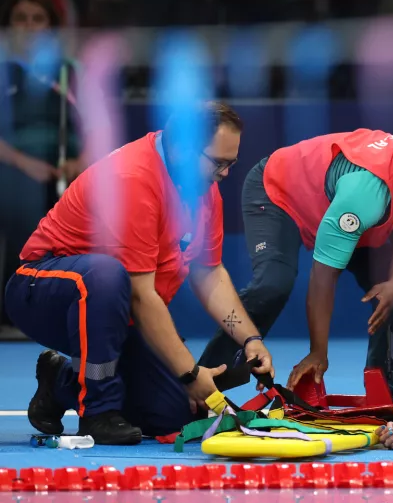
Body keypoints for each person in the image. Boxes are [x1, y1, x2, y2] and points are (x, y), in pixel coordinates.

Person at [3, 101, 276, 445]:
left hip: (116, 310)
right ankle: (98, 412)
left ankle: (61, 382)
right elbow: (140, 295)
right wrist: (190, 372)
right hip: (42, 289)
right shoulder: (132, 178)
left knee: (176, 413)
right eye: (218, 163)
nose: (224, 174)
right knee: (105, 276)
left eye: (231, 163)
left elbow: (209, 273)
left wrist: (250, 339)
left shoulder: (203, 189)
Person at [196, 121, 393, 401]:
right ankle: (205, 385)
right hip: (278, 194)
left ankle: (386, 392)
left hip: (340, 209)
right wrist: (318, 352)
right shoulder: (368, 191)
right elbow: (324, 275)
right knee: (273, 285)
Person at [0, 0, 84, 340]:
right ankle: (14, 310)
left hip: (65, 167)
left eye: (39, 19)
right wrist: (24, 164)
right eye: (21, 19)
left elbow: (97, 127)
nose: (30, 26)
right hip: (12, 168)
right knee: (23, 194)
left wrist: (81, 162)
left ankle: (73, 310)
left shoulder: (69, 71)